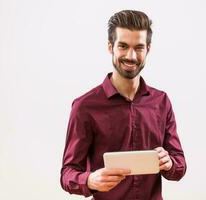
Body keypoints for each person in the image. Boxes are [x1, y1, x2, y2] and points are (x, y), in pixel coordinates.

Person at [60, 10, 187, 200]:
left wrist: (169, 163)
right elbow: (67, 173)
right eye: (123, 46)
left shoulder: (161, 102)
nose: (131, 56)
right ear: (110, 47)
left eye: (139, 47)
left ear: (148, 49)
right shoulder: (84, 107)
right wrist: (89, 180)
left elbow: (179, 165)